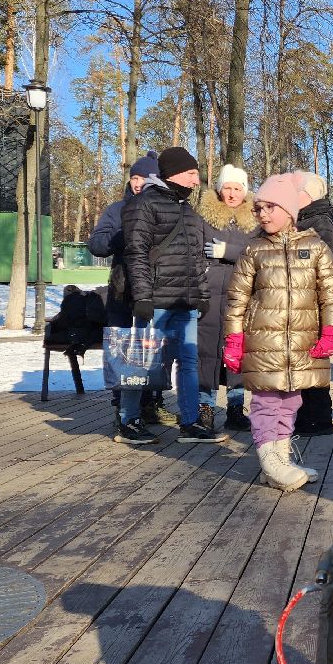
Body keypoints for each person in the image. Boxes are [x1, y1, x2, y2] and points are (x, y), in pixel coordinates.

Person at [223, 171, 333, 491]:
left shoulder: (316, 247)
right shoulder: (254, 250)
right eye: (258, 208)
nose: (262, 214)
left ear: (289, 209)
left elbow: (331, 292)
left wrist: (331, 330)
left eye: (269, 207)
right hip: (263, 341)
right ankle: (269, 459)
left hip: (301, 342)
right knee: (265, 401)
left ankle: (279, 457)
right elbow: (237, 298)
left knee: (291, 400)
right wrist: (234, 338)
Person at [118, 146, 221, 445]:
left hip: (184, 302)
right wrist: (142, 297)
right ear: (173, 172)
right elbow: (135, 253)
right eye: (191, 174)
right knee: (142, 360)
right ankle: (129, 420)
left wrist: (201, 294)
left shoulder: (187, 210)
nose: (195, 180)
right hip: (155, 300)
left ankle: (190, 422)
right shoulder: (143, 205)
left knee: (188, 362)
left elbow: (196, 259)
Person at [88, 153, 174, 430]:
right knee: (122, 348)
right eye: (134, 178)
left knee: (153, 346)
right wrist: (124, 235)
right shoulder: (116, 210)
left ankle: (152, 402)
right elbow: (97, 245)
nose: (138, 184)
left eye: (144, 179)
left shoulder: (164, 208)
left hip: (155, 288)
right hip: (122, 289)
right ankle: (122, 407)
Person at [198, 164, 257, 432]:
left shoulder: (255, 221)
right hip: (208, 295)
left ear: (245, 192)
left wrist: (230, 251)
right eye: (227, 187)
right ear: (219, 189)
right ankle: (205, 409)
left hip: (241, 296)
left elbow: (260, 253)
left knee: (238, 354)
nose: (232, 193)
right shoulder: (204, 218)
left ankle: (235, 408)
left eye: (237, 188)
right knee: (206, 354)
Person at [291, 175, 333, 436]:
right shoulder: (307, 218)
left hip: (310, 303)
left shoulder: (318, 221)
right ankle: (310, 418)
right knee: (307, 363)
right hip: (303, 302)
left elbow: (321, 265)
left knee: (313, 364)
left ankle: (317, 420)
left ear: (307, 195)